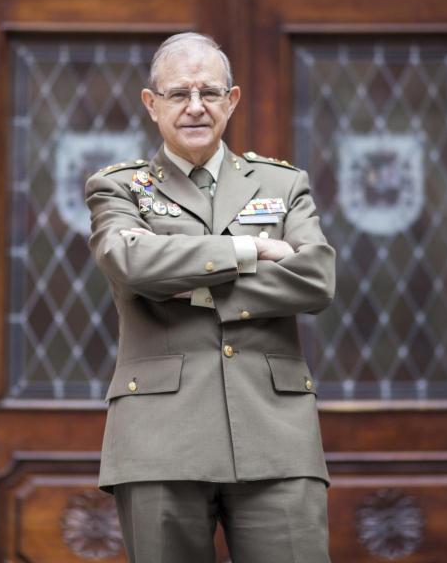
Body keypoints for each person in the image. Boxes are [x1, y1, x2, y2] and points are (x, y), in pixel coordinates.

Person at [85, 32, 336, 562]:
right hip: (159, 439)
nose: (195, 107)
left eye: (209, 93)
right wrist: (248, 249)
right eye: (179, 94)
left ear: (232, 100)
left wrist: (187, 283)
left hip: (276, 434)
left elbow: (316, 278)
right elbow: (130, 264)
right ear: (151, 104)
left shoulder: (282, 184)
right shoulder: (120, 188)